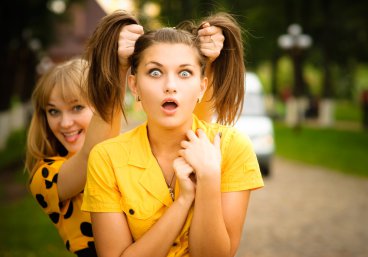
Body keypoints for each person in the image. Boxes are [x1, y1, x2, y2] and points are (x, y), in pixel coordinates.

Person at [25, 10, 225, 256]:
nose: (65, 122)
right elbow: (91, 155)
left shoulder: (126, 150)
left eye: (77, 107)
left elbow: (191, 126)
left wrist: (207, 63)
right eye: (53, 111)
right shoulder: (45, 177)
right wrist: (117, 66)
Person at [82, 12, 264, 257]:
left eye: (185, 73)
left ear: (202, 87)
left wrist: (209, 178)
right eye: (155, 72)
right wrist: (183, 201)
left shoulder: (231, 147)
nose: (170, 85)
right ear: (134, 86)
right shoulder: (106, 158)